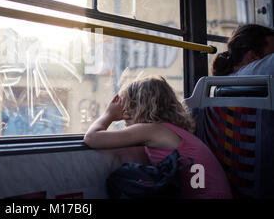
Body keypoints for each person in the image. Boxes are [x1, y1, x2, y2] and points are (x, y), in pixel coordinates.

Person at [84, 76, 232, 199]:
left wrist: (109, 114)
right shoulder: (166, 129)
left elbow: (92, 138)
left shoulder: (152, 130)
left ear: (140, 106)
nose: (124, 113)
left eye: (127, 106)